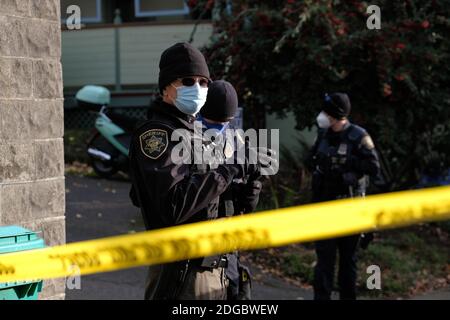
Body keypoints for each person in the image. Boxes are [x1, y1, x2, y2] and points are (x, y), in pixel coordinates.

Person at [128, 42, 262, 300]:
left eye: (204, 82)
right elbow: (173, 207)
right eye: (188, 81)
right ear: (166, 88)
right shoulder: (156, 135)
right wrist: (228, 170)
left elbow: (216, 199)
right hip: (184, 275)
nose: (198, 88)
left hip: (221, 267)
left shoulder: (198, 134)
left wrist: (249, 185)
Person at [307, 92, 380, 300]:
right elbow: (311, 159)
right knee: (324, 263)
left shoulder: (358, 136)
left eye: (326, 111)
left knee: (348, 263)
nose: (322, 115)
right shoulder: (323, 134)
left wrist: (350, 169)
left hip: (350, 209)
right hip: (324, 208)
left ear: (335, 115)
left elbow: (374, 167)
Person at [198, 80, 263, 299]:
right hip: (206, 246)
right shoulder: (189, 139)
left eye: (223, 121)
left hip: (220, 243)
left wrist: (250, 193)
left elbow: (253, 183)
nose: (219, 126)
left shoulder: (236, 142)